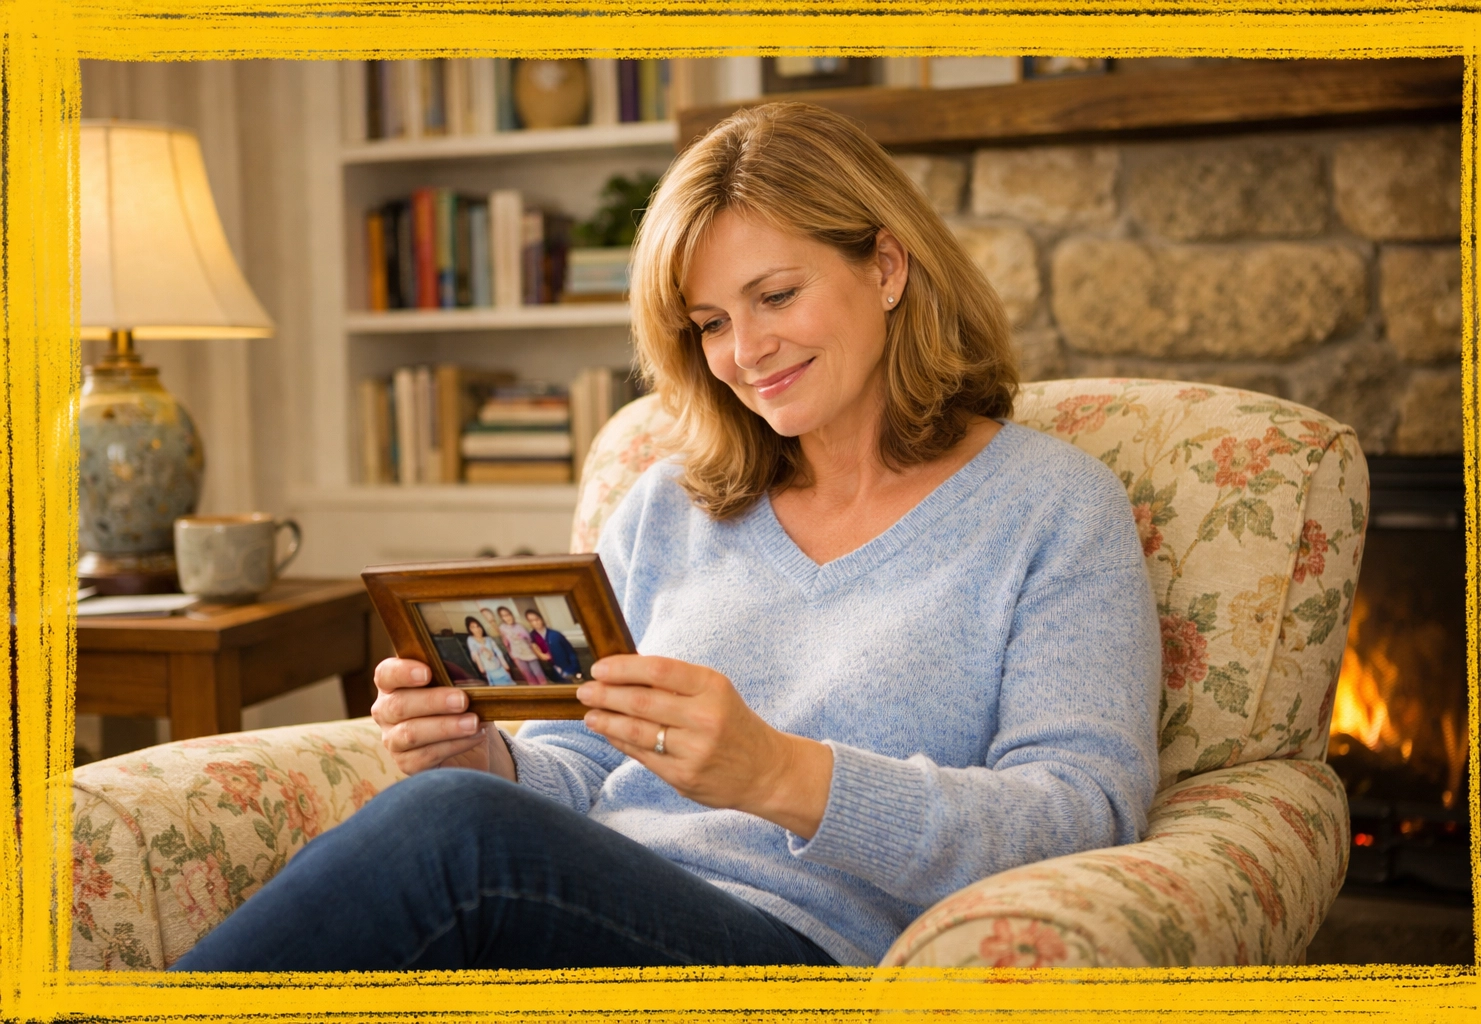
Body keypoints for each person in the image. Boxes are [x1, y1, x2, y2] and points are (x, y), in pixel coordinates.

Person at [172, 101, 1161, 973]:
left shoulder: (1052, 507)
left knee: (454, 836)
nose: (747, 351)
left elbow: (1082, 813)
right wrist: (483, 758)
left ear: (888, 265)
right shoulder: (670, 507)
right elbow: (578, 765)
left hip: (797, 950)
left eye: (776, 296)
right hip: (586, 908)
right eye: (709, 323)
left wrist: (782, 774)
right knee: (457, 814)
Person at [525, 607, 583, 681]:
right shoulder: (531, 637)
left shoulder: (555, 635)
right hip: (552, 672)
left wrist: (575, 669)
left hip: (567, 668)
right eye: (531, 621)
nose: (535, 623)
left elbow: (570, 652)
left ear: (541, 619)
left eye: (537, 619)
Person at [495, 605, 548, 684]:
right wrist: (512, 655)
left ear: (511, 615)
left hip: (530, 654)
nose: (507, 617)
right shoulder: (502, 628)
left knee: (538, 673)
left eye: (508, 614)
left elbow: (530, 641)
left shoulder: (520, 626)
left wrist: (537, 652)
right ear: (501, 618)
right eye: (504, 616)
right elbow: (506, 643)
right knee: (528, 676)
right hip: (517, 656)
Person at [462, 616, 513, 687]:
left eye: (478, 626)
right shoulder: (470, 639)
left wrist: (505, 665)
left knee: (509, 684)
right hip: (489, 670)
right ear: (469, 629)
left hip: (498, 666)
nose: (477, 629)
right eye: (473, 627)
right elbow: (474, 655)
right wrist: (481, 668)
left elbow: (498, 652)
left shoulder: (489, 639)